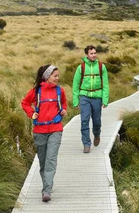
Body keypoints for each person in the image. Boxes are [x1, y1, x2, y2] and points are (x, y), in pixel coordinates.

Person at [21, 65, 67, 203]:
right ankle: (48, 183)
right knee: (43, 161)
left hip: (56, 130)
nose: (58, 78)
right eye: (55, 76)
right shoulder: (36, 91)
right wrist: (31, 114)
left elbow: (64, 104)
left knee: (50, 159)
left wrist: (63, 110)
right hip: (39, 131)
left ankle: (46, 190)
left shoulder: (60, 91)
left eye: (58, 76)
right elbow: (25, 103)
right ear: (47, 77)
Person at [73, 45, 109, 153]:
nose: (93, 55)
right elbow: (75, 85)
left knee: (97, 121)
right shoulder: (81, 67)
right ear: (87, 55)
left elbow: (106, 84)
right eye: (91, 53)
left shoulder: (101, 67)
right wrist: (76, 101)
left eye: (94, 53)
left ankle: (97, 135)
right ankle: (86, 143)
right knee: (84, 120)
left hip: (97, 97)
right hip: (84, 97)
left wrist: (105, 100)